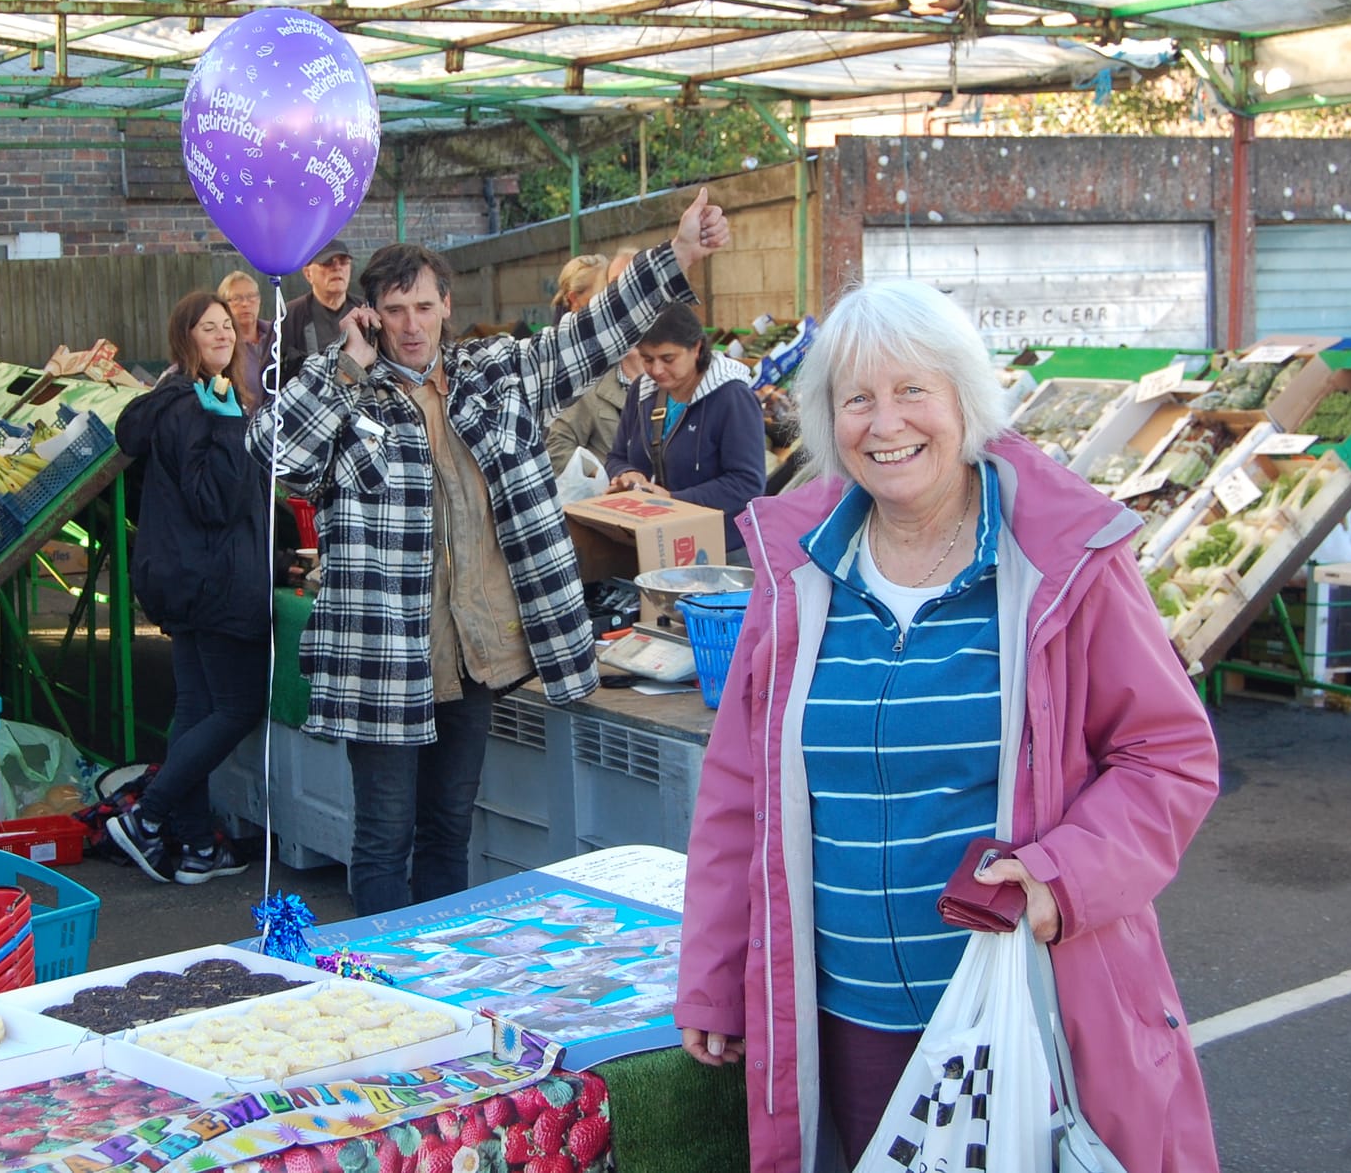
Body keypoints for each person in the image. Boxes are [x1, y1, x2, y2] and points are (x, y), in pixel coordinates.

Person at [673, 279, 1220, 1173]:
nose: (885, 423)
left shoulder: (1063, 560)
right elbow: (741, 790)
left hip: (1026, 1008)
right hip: (846, 1024)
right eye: (857, 399)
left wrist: (1062, 876)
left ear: (965, 399)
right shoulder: (797, 572)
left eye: (912, 390)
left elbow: (1167, 755)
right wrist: (714, 975)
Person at [249, 190, 731, 916]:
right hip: (383, 659)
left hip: (474, 653)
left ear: (446, 305)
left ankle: (436, 967)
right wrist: (344, 365)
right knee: (382, 837)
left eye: (424, 306)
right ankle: (380, 977)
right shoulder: (348, 394)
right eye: (395, 310)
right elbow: (274, 454)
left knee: (449, 828)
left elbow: (591, 332)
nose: (412, 325)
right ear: (370, 315)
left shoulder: (497, 375)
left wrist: (680, 252)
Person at [108, 291, 268, 885]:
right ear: (186, 338)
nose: (223, 335)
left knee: (197, 709)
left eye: (227, 326)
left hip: (184, 577)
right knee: (238, 707)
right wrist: (229, 425)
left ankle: (198, 846)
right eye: (209, 327)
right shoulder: (199, 406)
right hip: (214, 582)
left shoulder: (179, 398)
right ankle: (146, 816)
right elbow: (215, 501)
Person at [603, 303, 766, 559]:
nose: (657, 370)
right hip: (656, 543)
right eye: (647, 359)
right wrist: (627, 474)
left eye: (668, 359)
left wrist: (673, 499)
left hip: (721, 550)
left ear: (697, 348)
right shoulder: (642, 391)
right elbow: (617, 456)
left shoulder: (732, 397)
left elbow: (747, 483)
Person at [277, 238, 358, 381]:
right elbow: (272, 375)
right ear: (308, 273)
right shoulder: (289, 316)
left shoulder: (363, 311)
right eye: (327, 262)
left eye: (343, 262)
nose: (337, 268)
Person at [217, 270, 276, 405]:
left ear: (259, 300)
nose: (245, 304)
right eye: (236, 299)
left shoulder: (277, 333)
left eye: (251, 297)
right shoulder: (223, 344)